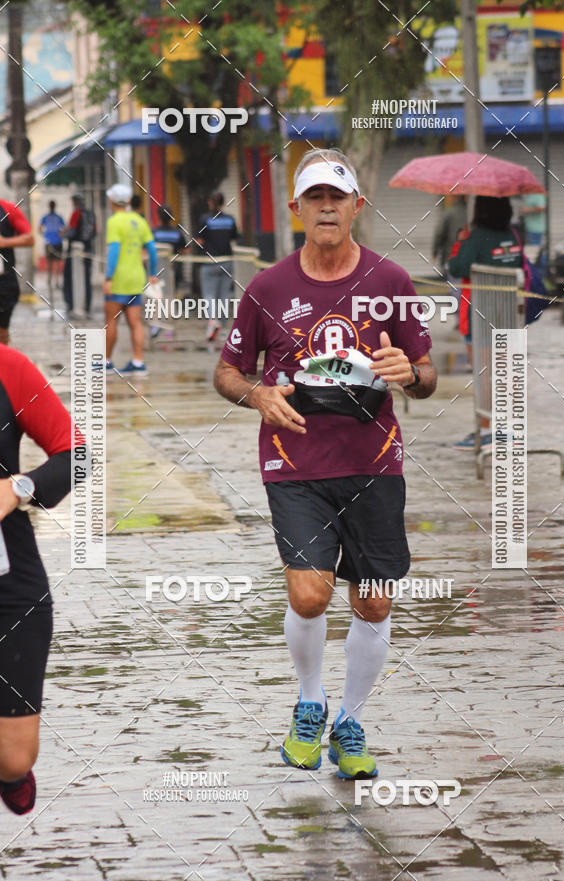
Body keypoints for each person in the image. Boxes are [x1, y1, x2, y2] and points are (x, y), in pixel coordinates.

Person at [214, 149, 437, 779]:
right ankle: (309, 703)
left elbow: (427, 375)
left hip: (374, 463)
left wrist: (410, 375)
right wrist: (257, 393)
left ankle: (349, 720)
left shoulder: (392, 282)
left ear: (357, 208)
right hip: (295, 461)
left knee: (373, 604)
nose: (327, 207)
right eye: (314, 197)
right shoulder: (268, 288)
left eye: (337, 198)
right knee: (310, 595)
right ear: (296, 210)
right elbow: (227, 371)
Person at [0, 345, 83, 815]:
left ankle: (9, 773)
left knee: (13, 759)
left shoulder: (8, 367)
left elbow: (76, 455)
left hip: (11, 585)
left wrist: (18, 486)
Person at [447, 194, 523, 450]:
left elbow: (458, 268)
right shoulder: (512, 235)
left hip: (479, 315)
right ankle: (506, 427)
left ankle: (488, 430)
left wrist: (460, 243)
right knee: (505, 373)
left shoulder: (476, 237)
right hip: (510, 313)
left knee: (485, 374)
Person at [102, 183, 158, 375]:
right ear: (127, 201)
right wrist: (153, 272)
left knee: (111, 320)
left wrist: (108, 277)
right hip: (137, 279)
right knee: (136, 322)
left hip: (119, 279)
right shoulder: (139, 221)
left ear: (111, 201)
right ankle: (138, 361)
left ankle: (107, 362)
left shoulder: (114, 221)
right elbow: (151, 249)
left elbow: (114, 251)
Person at [197, 192, 238, 342]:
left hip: (209, 262)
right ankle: (223, 329)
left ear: (210, 202)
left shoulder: (205, 219)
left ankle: (213, 322)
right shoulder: (230, 220)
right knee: (223, 296)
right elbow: (234, 239)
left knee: (209, 295)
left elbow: (200, 240)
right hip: (227, 261)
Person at [0, 198, 34, 345]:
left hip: (3, 283)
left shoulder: (7, 208)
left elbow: (30, 239)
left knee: (1, 332)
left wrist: (4, 242)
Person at [62, 194, 96, 317]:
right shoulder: (91, 214)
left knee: (70, 277)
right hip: (88, 250)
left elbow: (71, 231)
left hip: (74, 252)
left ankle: (72, 304)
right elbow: (95, 232)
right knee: (87, 278)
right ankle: (87, 305)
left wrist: (63, 233)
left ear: (75, 202)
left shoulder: (76, 213)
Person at [431, 195, 467, 276]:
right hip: (467, 257)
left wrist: (435, 253)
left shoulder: (448, 213)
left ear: (454, 197)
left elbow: (439, 233)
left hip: (450, 256)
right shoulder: (469, 212)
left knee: (453, 284)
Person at [39, 200, 64, 292]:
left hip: (49, 242)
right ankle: (54, 281)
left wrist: (45, 235)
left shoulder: (46, 217)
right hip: (56, 241)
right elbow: (64, 228)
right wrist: (60, 235)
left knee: (50, 262)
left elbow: (39, 228)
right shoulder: (58, 217)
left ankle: (51, 280)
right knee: (55, 262)